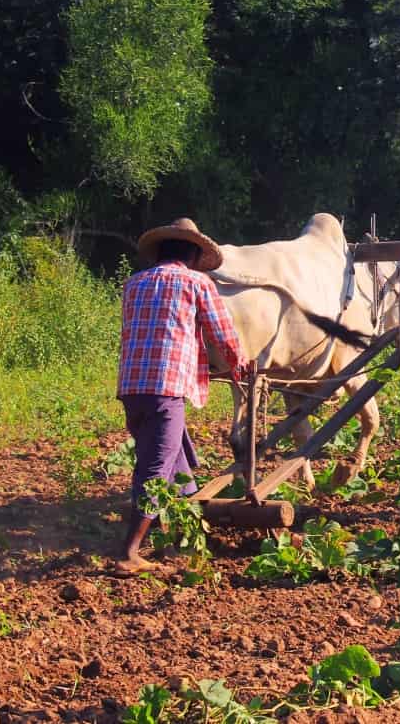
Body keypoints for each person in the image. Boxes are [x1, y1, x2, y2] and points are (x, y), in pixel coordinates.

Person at [113, 217, 251, 574]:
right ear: (192, 254)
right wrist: (239, 365)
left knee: (177, 462)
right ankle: (130, 550)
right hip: (167, 389)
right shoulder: (196, 282)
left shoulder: (134, 283)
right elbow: (222, 334)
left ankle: (189, 538)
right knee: (156, 469)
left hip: (131, 389)